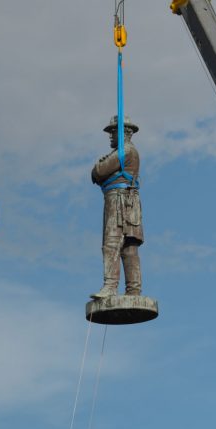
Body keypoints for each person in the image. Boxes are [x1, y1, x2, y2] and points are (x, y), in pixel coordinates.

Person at [90, 115, 144, 299]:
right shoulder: (128, 151)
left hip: (119, 201)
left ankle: (110, 286)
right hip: (128, 201)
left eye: (113, 132)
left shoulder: (125, 151)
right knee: (128, 248)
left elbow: (99, 171)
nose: (110, 136)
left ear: (123, 132)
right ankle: (133, 290)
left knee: (112, 244)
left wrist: (98, 169)